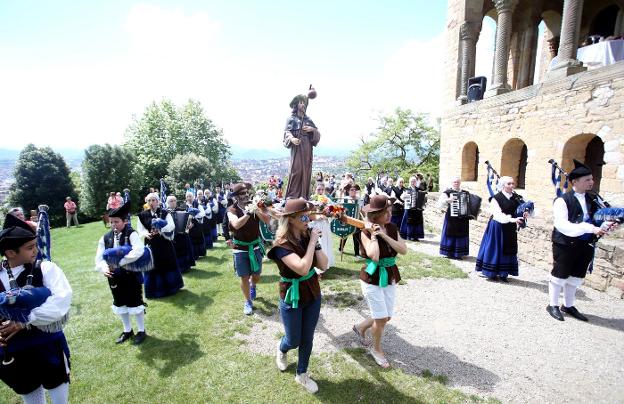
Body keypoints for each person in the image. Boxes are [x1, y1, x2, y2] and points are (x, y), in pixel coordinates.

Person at [0, 214, 72, 403]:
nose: (36, 250)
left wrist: (25, 320)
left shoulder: (46, 268)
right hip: (14, 353)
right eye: (30, 247)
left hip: (47, 346)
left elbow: (61, 301)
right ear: (10, 253)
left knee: (59, 397)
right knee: (31, 398)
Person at [268, 198, 328, 394]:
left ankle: (302, 373)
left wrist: (315, 243)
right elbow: (302, 268)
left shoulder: (307, 236)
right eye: (303, 216)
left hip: (312, 291)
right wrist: (312, 242)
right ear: (290, 219)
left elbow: (323, 265)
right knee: (293, 339)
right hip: (291, 294)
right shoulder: (281, 244)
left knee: (307, 336)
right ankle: (282, 348)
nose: (307, 220)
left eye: (308, 216)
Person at [547, 160, 618, 321]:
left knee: (576, 277)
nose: (591, 182)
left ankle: (568, 305)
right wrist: (590, 228)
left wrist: (606, 225)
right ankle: (552, 304)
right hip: (565, 244)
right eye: (587, 179)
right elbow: (562, 225)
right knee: (560, 275)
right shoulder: (562, 200)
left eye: (592, 179)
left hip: (586, 244)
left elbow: (598, 219)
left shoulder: (592, 199)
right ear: (574, 182)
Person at [353, 195, 407, 368]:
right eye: (385, 212)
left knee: (386, 316)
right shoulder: (365, 232)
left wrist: (385, 236)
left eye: (390, 210)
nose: (389, 214)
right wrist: (375, 236)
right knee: (381, 317)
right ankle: (376, 350)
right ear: (375, 215)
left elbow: (403, 249)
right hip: (372, 277)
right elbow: (374, 256)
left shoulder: (391, 227)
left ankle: (360, 327)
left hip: (389, 274)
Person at [95, 202, 148, 345]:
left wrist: (120, 262)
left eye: (116, 222)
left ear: (124, 221)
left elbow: (138, 250)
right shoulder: (105, 238)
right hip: (114, 277)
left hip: (131, 275)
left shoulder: (131, 234)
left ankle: (141, 330)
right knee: (120, 302)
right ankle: (127, 330)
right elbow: (99, 258)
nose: (113, 225)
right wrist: (104, 268)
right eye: (111, 222)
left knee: (135, 302)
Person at [227, 183, 271, 315]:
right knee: (244, 277)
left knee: (256, 275)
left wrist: (256, 210)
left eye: (247, 192)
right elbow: (235, 224)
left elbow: (267, 220)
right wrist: (248, 213)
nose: (246, 195)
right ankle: (247, 301)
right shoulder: (232, 210)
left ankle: (253, 285)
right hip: (240, 248)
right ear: (236, 197)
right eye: (242, 193)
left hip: (255, 245)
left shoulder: (255, 204)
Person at [475, 176, 528, 282]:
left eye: (513, 183)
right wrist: (513, 220)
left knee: (509, 248)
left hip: (510, 226)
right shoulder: (496, 198)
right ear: (503, 185)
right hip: (497, 225)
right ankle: (492, 273)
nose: (511, 186)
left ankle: (504, 274)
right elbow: (498, 215)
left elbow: (525, 208)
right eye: (509, 184)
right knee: (496, 247)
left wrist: (526, 213)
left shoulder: (517, 198)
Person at [137, 193, 183, 298]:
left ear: (158, 201)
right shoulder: (142, 215)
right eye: (149, 201)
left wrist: (161, 229)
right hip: (151, 244)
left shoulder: (164, 212)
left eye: (153, 200)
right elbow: (141, 229)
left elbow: (171, 225)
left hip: (164, 243)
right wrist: (146, 234)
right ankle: (155, 291)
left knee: (167, 263)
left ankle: (172, 287)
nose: (151, 203)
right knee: (153, 265)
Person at [283, 90, 321, 200]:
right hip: (297, 148)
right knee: (296, 170)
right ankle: (292, 196)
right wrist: (292, 139)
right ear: (296, 105)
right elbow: (286, 132)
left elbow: (317, 135)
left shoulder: (308, 120)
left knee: (306, 172)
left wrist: (312, 130)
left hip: (307, 148)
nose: (303, 104)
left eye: (304, 102)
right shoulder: (291, 119)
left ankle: (303, 196)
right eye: (300, 102)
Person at [437, 177, 470, 260]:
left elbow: (469, 204)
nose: (456, 183)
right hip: (451, 217)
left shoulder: (465, 193)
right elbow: (438, 205)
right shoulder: (447, 193)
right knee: (450, 232)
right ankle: (448, 253)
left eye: (458, 182)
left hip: (463, 218)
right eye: (454, 182)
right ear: (452, 183)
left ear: (460, 183)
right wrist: (447, 200)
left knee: (462, 233)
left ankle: (459, 253)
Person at [167, 195, 196, 273]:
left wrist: (190, 225)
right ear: (168, 203)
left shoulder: (183, 210)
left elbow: (189, 221)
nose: (173, 203)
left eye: (174, 201)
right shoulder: (165, 212)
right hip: (171, 235)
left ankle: (185, 267)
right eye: (171, 201)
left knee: (183, 250)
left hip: (182, 234)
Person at [311, 183, 334, 268]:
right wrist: (317, 217)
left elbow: (333, 211)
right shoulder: (312, 200)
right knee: (317, 243)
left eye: (322, 189)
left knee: (325, 243)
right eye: (318, 189)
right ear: (315, 190)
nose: (320, 191)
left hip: (325, 224)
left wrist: (328, 215)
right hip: (315, 224)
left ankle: (325, 264)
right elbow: (309, 213)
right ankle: (316, 265)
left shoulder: (327, 200)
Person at [338, 184, 362, 257]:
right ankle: (340, 249)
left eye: (355, 190)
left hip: (356, 219)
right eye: (352, 190)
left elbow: (361, 210)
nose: (354, 191)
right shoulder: (345, 198)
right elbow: (340, 207)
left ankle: (357, 253)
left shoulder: (359, 199)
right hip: (347, 219)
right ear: (348, 191)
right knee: (344, 235)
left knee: (357, 237)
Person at [399, 176, 426, 241]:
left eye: (414, 181)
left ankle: (416, 237)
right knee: (409, 222)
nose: (413, 183)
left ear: (416, 182)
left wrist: (423, 203)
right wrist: (405, 196)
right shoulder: (406, 190)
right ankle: (409, 236)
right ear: (409, 182)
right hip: (409, 208)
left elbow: (423, 198)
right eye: (412, 181)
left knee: (417, 222)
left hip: (417, 209)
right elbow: (401, 197)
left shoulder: (419, 190)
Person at [185, 191, 206, 259]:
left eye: (190, 196)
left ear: (193, 197)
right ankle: (193, 255)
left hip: (196, 225)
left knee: (197, 239)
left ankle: (199, 253)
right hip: (188, 225)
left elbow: (203, 213)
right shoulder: (184, 205)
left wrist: (195, 215)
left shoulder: (197, 205)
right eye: (187, 196)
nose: (189, 198)